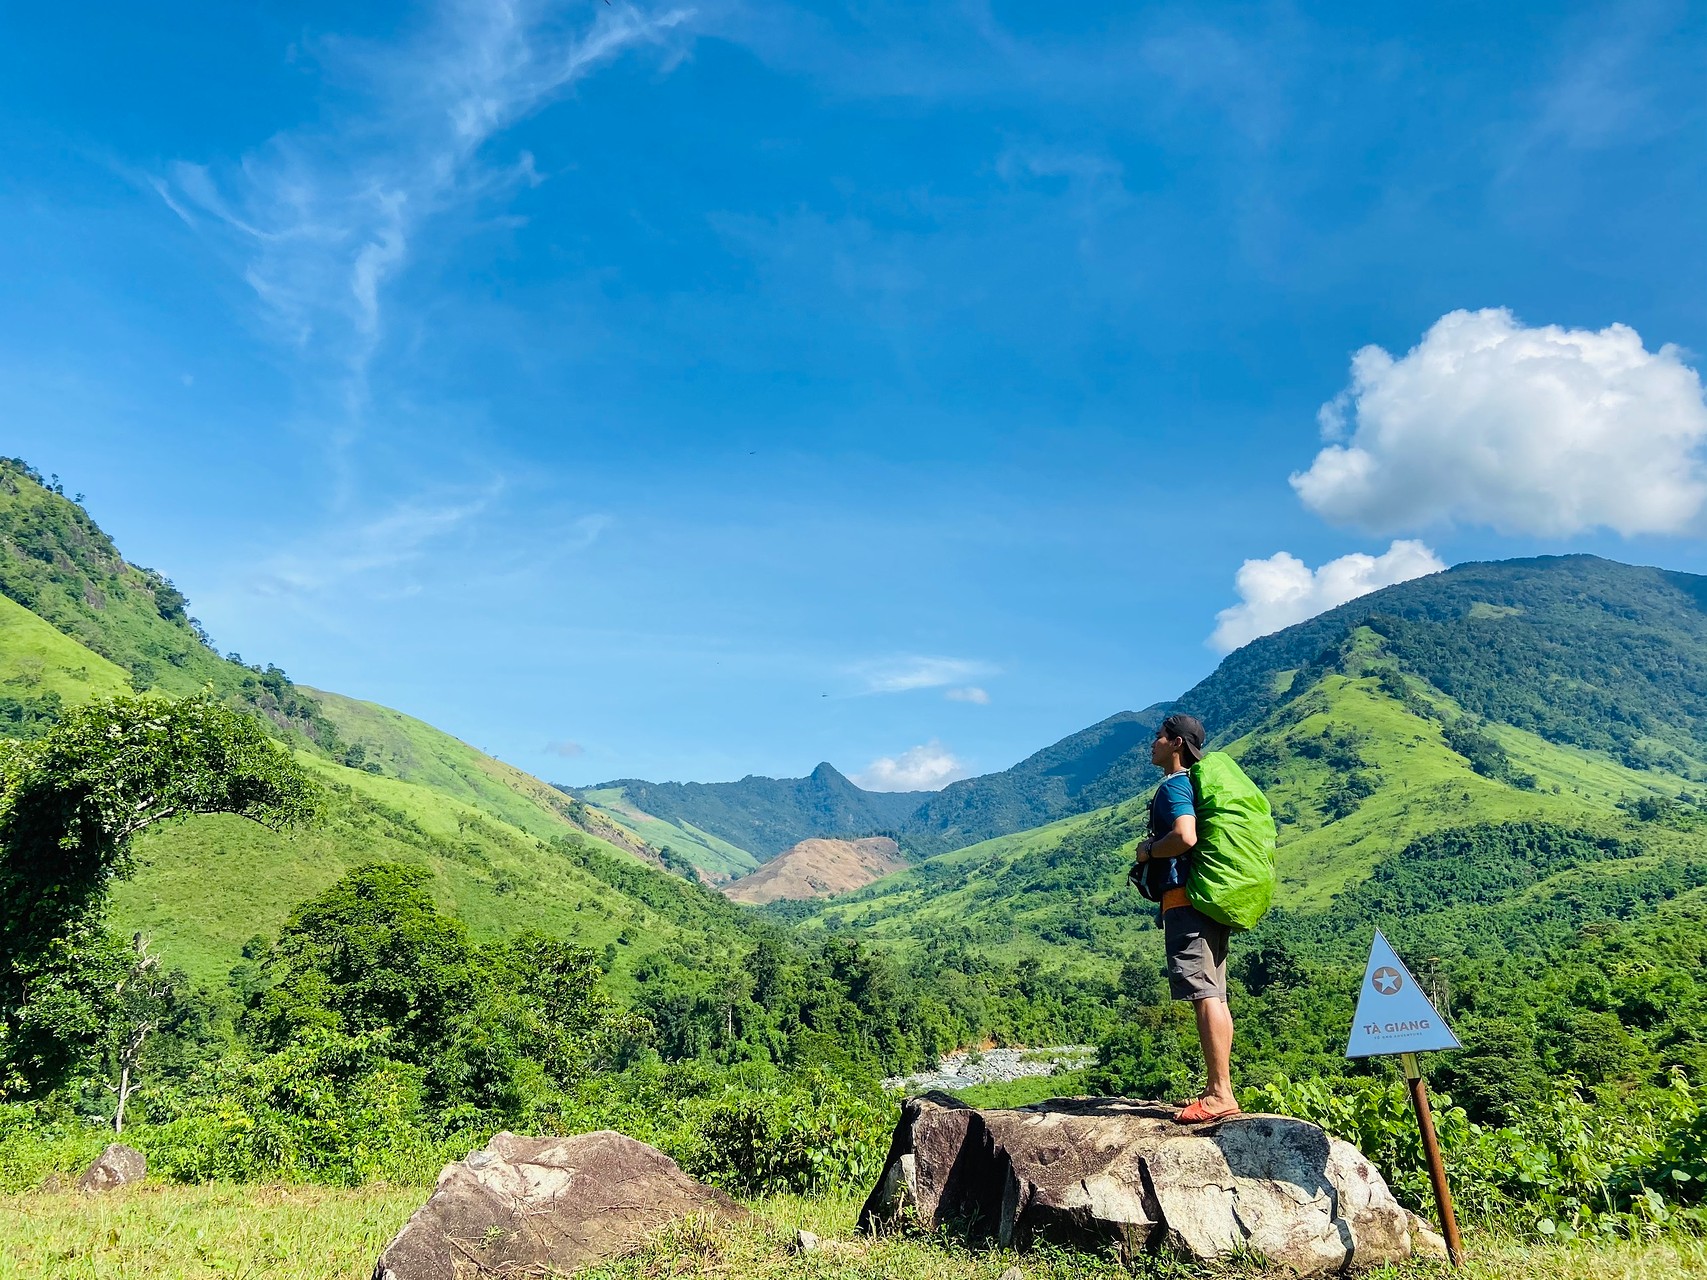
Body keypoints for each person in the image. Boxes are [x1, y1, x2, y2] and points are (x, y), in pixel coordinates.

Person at [1131, 712, 1239, 1123]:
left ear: (1176, 743)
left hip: (1185, 903)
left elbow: (1185, 836)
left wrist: (1149, 850)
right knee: (1216, 993)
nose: (1153, 742)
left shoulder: (1175, 787)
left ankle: (1218, 1093)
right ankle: (1220, 1088)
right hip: (1208, 901)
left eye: (1159, 736)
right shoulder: (1195, 786)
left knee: (1204, 995)